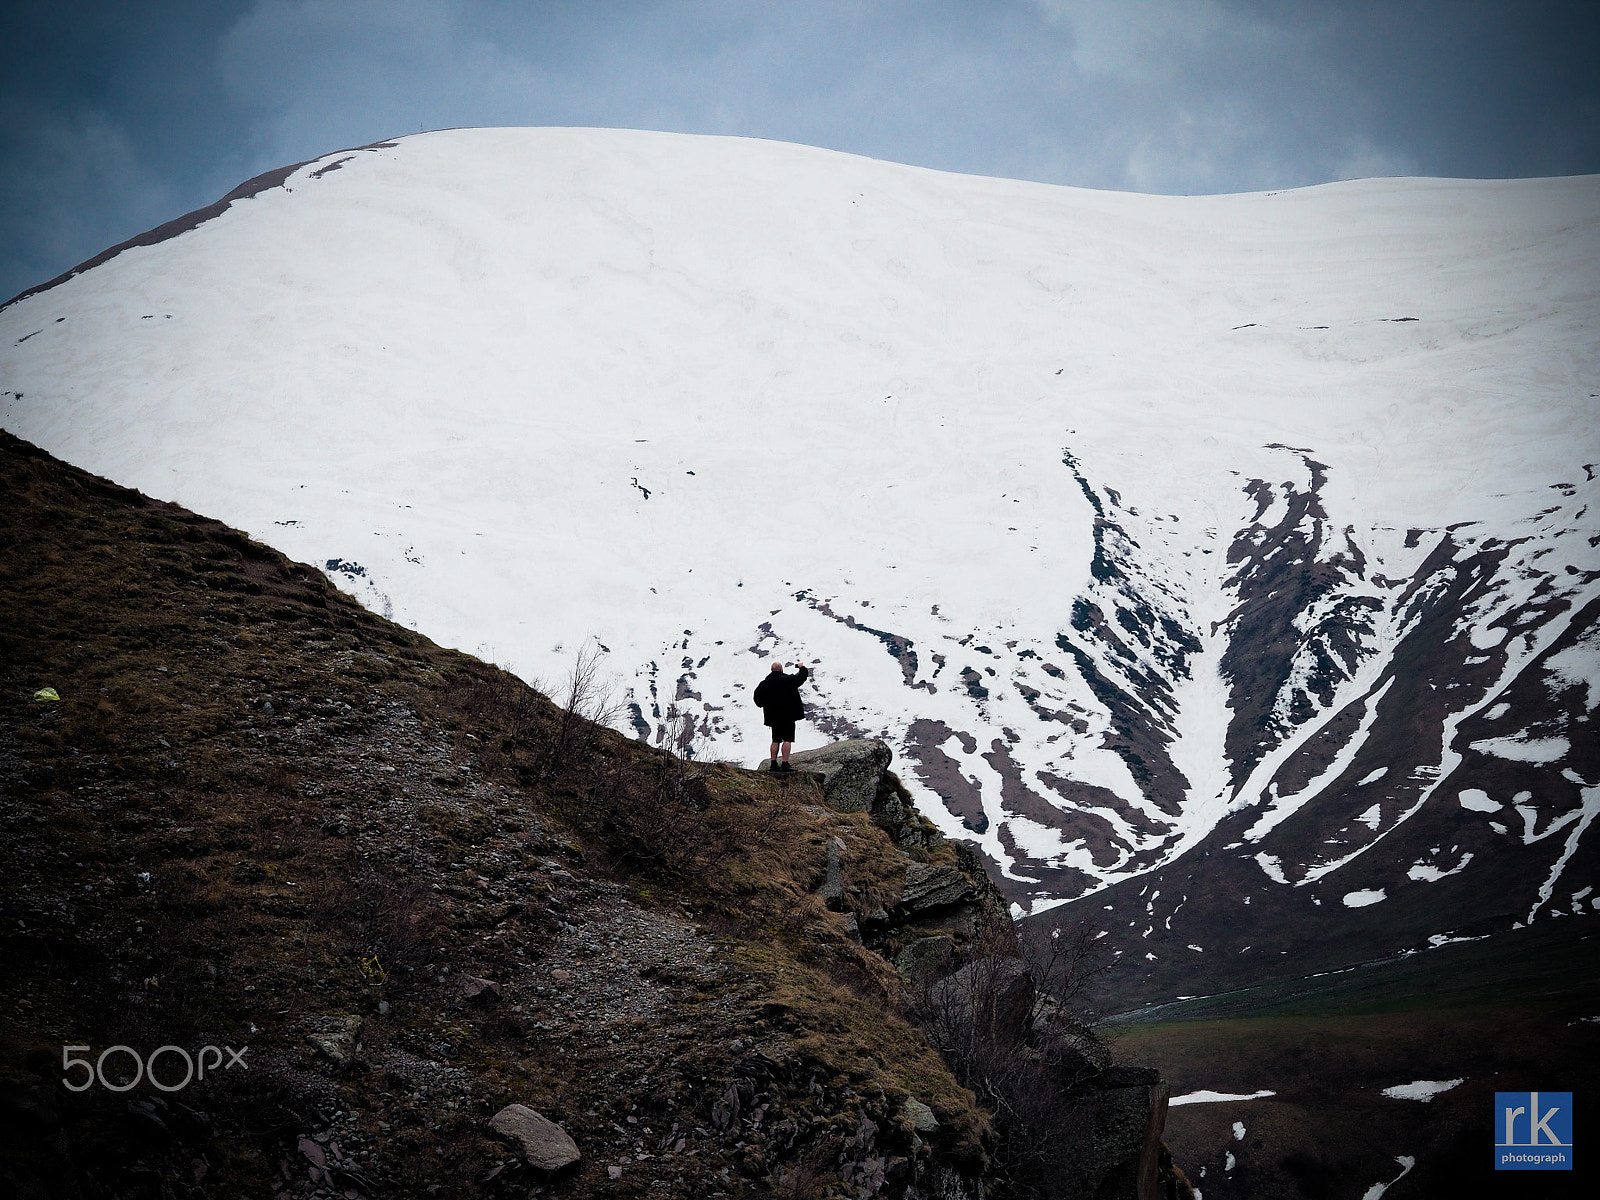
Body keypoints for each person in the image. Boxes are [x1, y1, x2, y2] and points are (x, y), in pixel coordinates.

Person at [753, 660, 809, 771]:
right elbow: (801, 677)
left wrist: (764, 704)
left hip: (773, 716)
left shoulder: (764, 684)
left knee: (775, 740)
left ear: (771, 670)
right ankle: (785, 763)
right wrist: (802, 667)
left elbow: (757, 699)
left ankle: (773, 764)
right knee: (787, 739)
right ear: (781, 669)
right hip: (788, 715)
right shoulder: (788, 680)